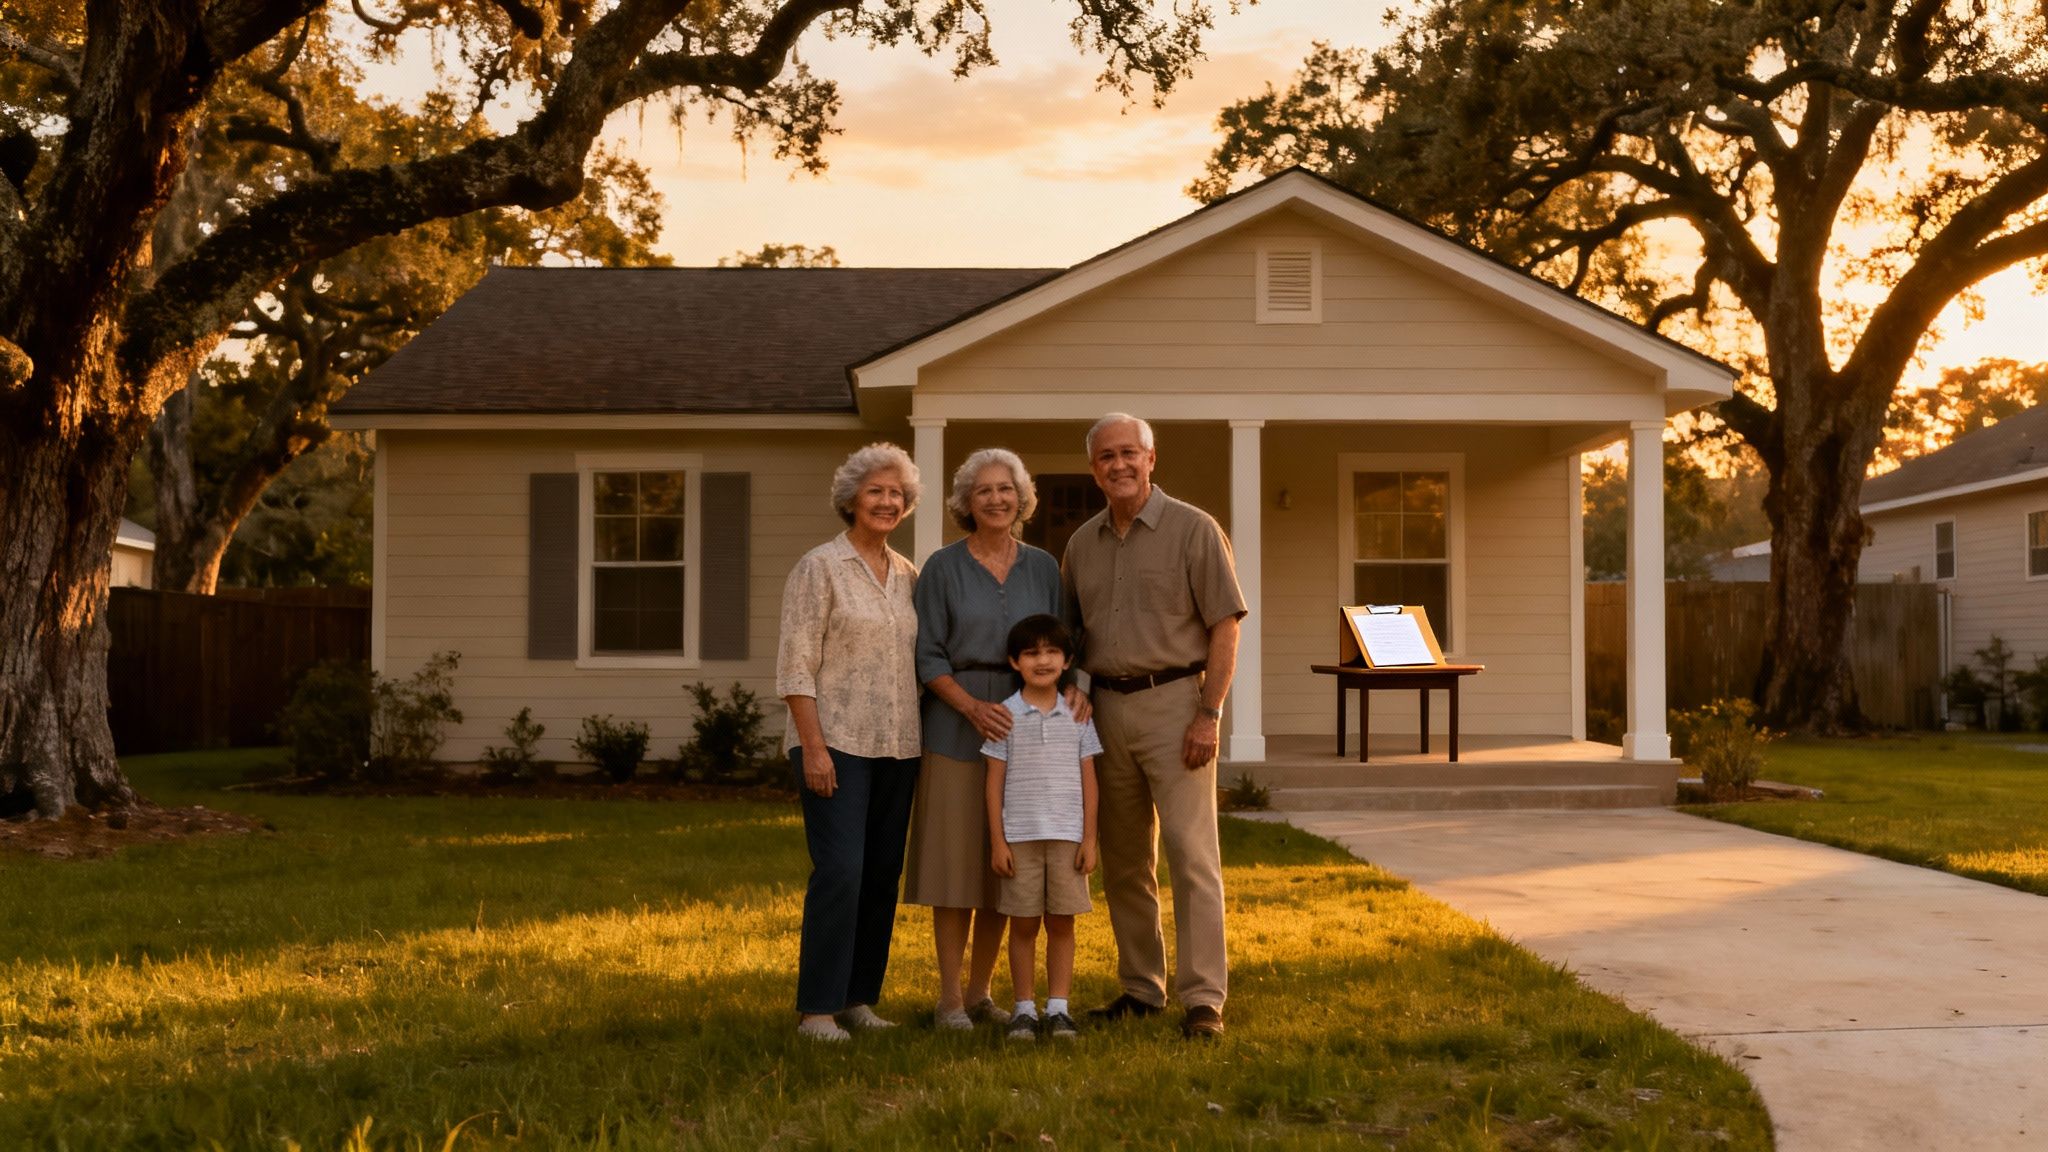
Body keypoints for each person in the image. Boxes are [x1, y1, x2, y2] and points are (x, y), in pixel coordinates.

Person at [1061, 413, 1246, 1039]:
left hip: (1176, 707)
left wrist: (1209, 712)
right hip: (1105, 713)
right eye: (1106, 456)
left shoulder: (1195, 530)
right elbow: (1072, 639)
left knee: (1192, 856)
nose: (1119, 465)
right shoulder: (1081, 544)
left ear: (1151, 458)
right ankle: (1142, 988)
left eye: (1129, 453)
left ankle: (1203, 1000)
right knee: (1123, 860)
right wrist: (1076, 696)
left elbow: (1226, 625)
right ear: (1094, 468)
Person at [906, 449, 1062, 1029]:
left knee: (1006, 865)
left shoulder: (1045, 567)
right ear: (966, 504)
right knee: (953, 868)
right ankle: (948, 998)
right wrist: (971, 707)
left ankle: (981, 993)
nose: (996, 499)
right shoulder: (942, 568)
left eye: (1005, 489)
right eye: (983, 492)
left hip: (1026, 733)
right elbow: (926, 654)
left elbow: (1061, 643)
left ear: (1021, 499)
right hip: (954, 726)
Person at [776, 443, 924, 1042]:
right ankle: (816, 1010)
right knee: (840, 870)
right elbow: (794, 666)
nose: (887, 501)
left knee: (882, 873)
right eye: (876, 491)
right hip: (834, 742)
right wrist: (813, 748)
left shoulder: (909, 575)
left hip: (898, 745)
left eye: (896, 493)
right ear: (852, 500)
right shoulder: (820, 567)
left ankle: (858, 997)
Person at [982, 614, 1100, 1042]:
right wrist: (998, 841)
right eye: (1031, 653)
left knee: (1063, 924)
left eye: (1052, 651)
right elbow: (993, 782)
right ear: (1015, 662)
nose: (1042, 660)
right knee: (1024, 925)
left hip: (1068, 837)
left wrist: (1089, 838)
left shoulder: (1079, 715)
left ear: (1067, 660)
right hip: (1021, 837)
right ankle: (1024, 1009)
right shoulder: (1004, 716)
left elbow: (1090, 779)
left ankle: (1059, 1009)